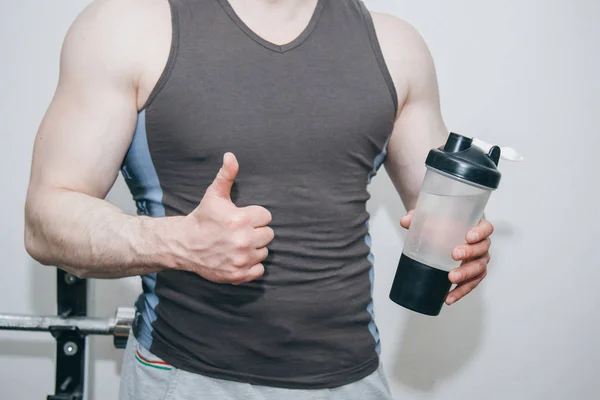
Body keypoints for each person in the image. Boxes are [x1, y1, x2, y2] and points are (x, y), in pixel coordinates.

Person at [24, 0, 494, 399]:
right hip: (187, 378)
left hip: (352, 381)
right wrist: (177, 243)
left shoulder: (396, 45)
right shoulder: (126, 25)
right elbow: (46, 219)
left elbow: (438, 212)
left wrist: (463, 244)